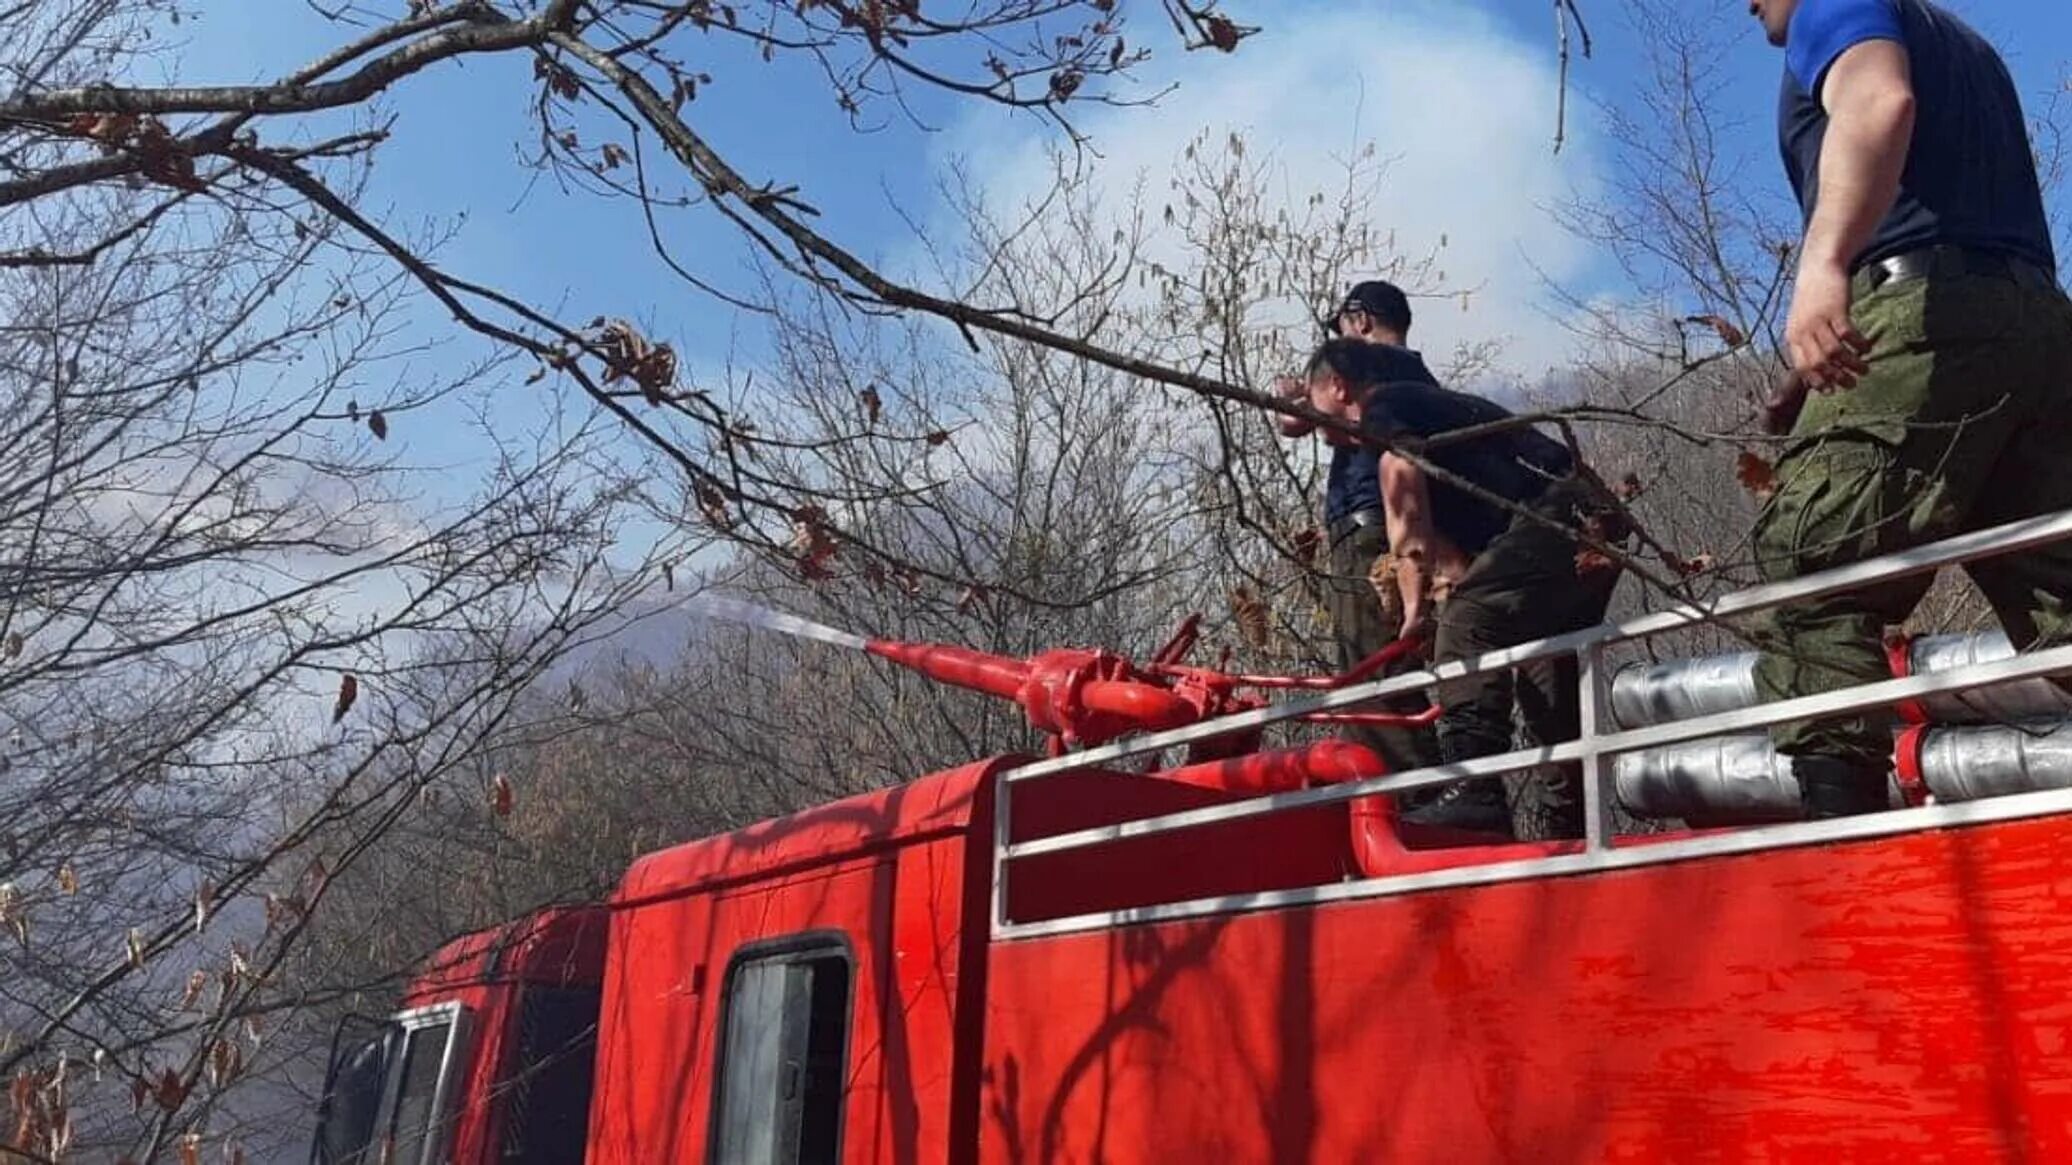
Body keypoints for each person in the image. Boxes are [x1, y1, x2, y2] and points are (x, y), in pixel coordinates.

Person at [1746, 0, 2072, 817]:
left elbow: (1879, 102)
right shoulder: (1966, 43)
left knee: (1815, 561)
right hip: (2033, 323)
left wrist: (1823, 266)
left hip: (1929, 311)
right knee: (2057, 584)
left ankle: (1841, 846)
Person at [1302, 338, 1626, 839]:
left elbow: (1405, 502)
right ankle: (1570, 827)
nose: (1314, 422)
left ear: (1337, 386)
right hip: (1595, 522)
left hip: (1561, 512)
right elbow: (1458, 555)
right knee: (1548, 662)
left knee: (1470, 624)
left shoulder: (1380, 409)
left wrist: (1414, 613)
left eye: (1312, 398)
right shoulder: (1433, 412)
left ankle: (1473, 791)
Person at [1273, 280, 1443, 778]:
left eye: (1343, 326)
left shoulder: (1363, 364)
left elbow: (1293, 422)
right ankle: (1411, 790)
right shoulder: (1420, 376)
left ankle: (1409, 795)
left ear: (1361, 320)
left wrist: (1291, 395)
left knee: (1374, 674)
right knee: (1383, 668)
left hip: (1368, 533)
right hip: (1388, 531)